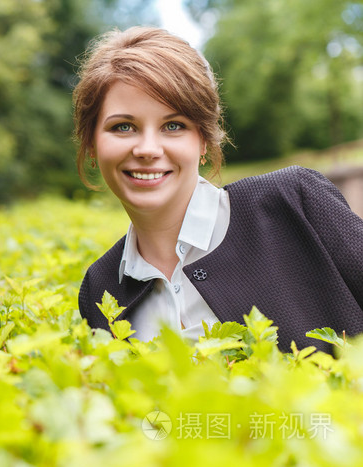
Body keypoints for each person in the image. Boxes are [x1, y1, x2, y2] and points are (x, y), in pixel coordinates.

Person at [74, 26, 363, 353]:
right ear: (92, 145)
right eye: (123, 127)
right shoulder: (100, 288)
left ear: (204, 140)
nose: (148, 149)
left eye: (173, 126)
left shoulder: (294, 202)